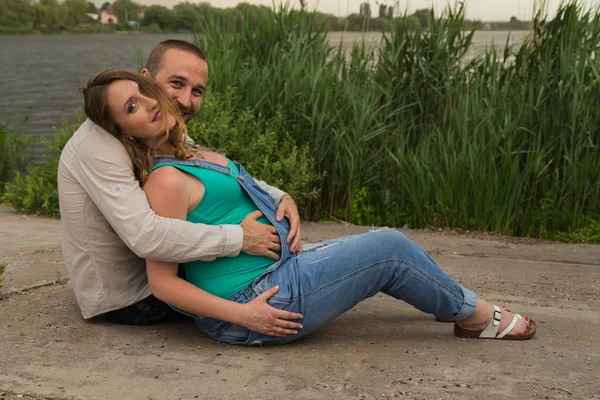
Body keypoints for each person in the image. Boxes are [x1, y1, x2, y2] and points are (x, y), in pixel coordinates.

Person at [79, 68, 537, 345]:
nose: (149, 108)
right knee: (391, 249)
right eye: (131, 109)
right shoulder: (163, 179)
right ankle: (473, 316)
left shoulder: (188, 152)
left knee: (380, 251)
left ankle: (449, 302)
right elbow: (162, 284)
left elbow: (245, 186)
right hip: (258, 304)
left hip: (275, 277)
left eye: (142, 94)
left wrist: (283, 199)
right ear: (124, 130)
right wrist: (244, 315)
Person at [58, 40, 302, 325]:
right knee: (285, 286)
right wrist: (240, 238)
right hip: (132, 297)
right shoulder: (98, 148)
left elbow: (215, 170)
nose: (186, 101)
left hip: (167, 271)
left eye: (196, 91)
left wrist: (279, 196)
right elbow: (145, 236)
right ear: (145, 79)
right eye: (176, 83)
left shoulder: (157, 123)